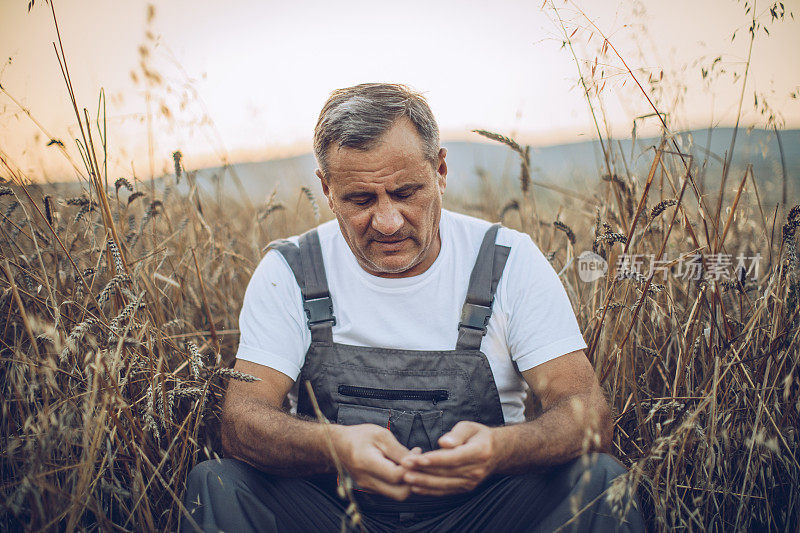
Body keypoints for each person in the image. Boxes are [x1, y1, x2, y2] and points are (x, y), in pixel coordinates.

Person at [181, 83, 644, 532]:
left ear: (440, 171)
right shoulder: (291, 270)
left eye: (406, 193)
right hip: (336, 515)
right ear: (325, 188)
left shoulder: (509, 261)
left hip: (488, 513)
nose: (386, 222)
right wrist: (335, 447)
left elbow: (586, 411)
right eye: (360, 199)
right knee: (218, 485)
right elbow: (241, 420)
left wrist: (499, 450)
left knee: (601, 482)